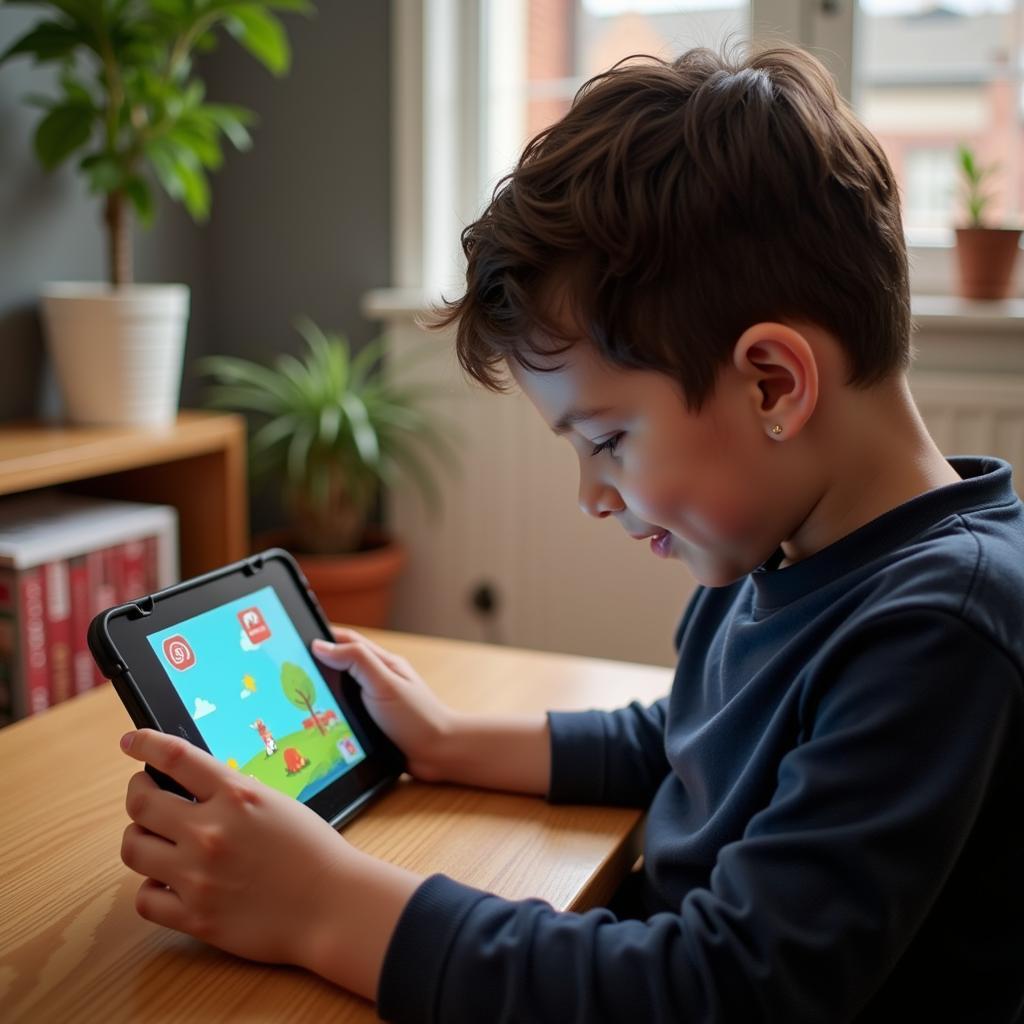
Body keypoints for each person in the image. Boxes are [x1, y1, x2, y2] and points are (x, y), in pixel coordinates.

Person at [117, 43, 1024, 1022]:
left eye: (607, 439)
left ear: (772, 382)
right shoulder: (786, 548)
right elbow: (686, 738)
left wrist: (325, 904)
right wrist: (454, 741)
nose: (592, 494)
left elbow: (721, 990)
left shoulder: (942, 627)